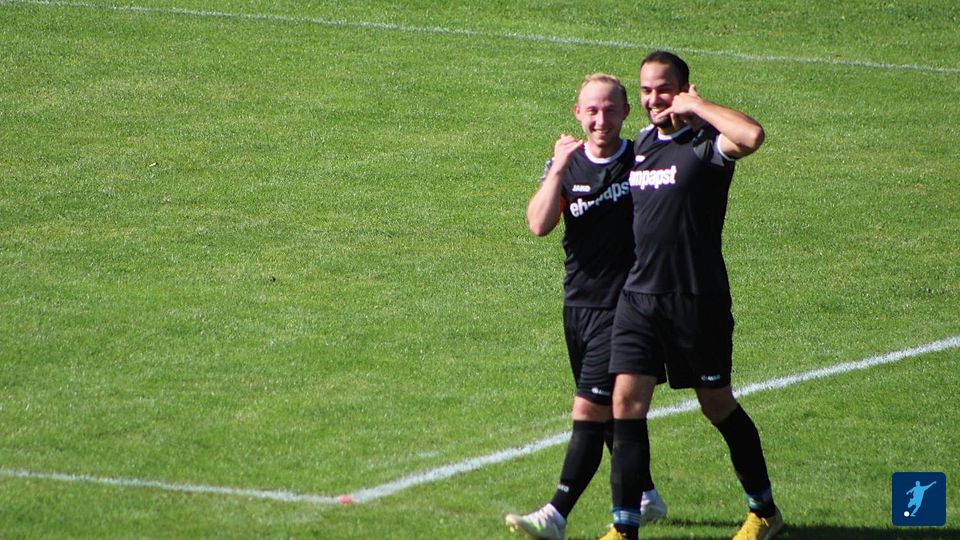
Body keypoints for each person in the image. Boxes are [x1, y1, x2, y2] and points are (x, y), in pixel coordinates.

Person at [599, 51, 783, 540]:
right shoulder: (640, 145)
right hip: (639, 299)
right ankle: (624, 527)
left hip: (696, 300)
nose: (653, 98)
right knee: (625, 405)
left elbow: (753, 136)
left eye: (663, 88)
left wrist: (699, 107)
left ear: (683, 88)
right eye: (645, 89)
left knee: (716, 404)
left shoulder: (706, 145)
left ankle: (764, 511)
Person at [504, 73, 667, 540]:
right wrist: (557, 167)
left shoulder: (642, 159)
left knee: (589, 410)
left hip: (627, 308)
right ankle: (646, 496)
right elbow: (539, 224)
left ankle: (555, 515)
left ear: (626, 112)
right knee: (611, 409)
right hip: (578, 304)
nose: (601, 120)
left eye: (610, 110)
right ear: (577, 113)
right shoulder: (567, 165)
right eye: (592, 110)